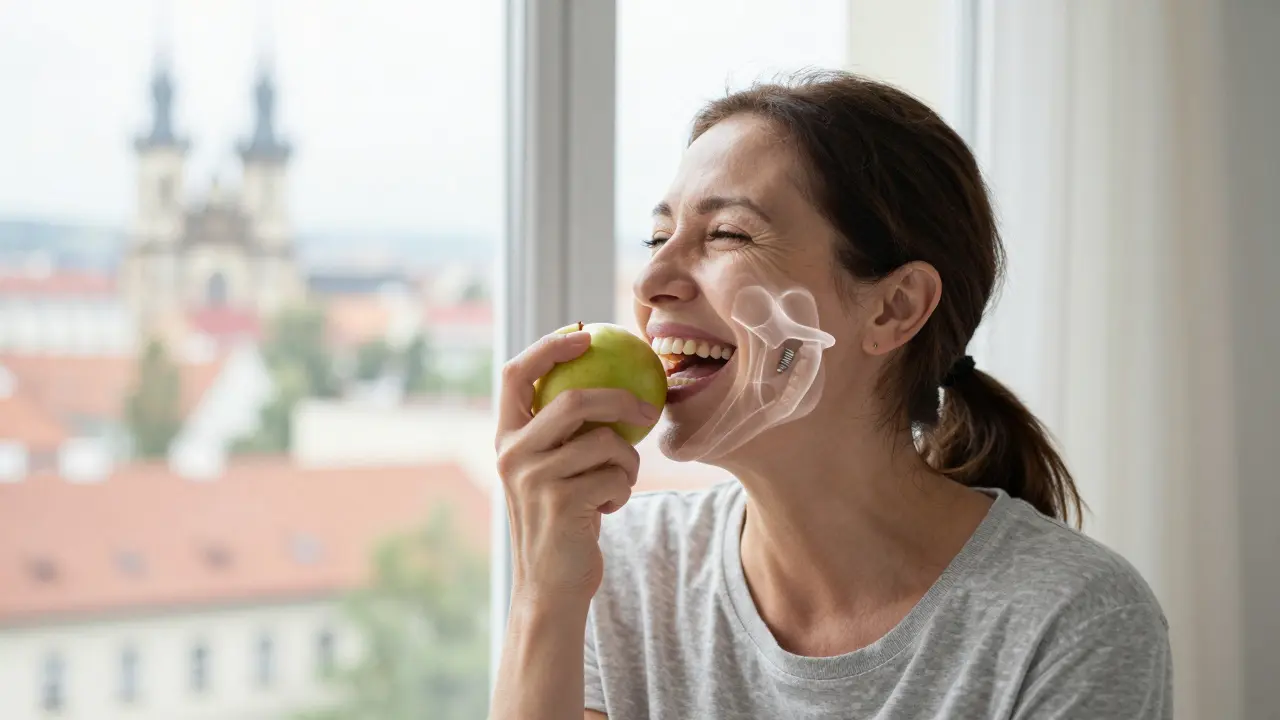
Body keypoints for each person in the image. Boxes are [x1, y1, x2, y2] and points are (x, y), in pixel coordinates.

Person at [490, 71, 1171, 720]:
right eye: (659, 236)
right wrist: (544, 595)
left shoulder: (1071, 617)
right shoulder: (623, 568)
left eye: (726, 234)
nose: (651, 281)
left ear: (893, 309)